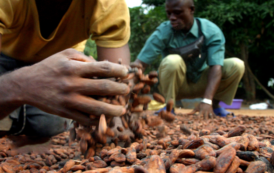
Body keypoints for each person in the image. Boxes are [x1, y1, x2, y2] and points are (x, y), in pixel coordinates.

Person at [0, 0, 131, 137]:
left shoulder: (109, 5)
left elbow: (117, 86)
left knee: (49, 126)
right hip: (5, 54)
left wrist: (113, 122)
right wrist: (21, 86)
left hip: (63, 64)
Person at [135, 0, 245, 118]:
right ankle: (169, 107)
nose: (172, 18)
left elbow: (216, 66)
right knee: (172, 61)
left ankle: (214, 106)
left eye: (177, 12)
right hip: (175, 86)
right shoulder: (164, 31)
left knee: (237, 65)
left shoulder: (210, 31)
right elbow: (140, 64)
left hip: (203, 83)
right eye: (169, 13)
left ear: (191, 10)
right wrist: (127, 89)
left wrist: (207, 100)